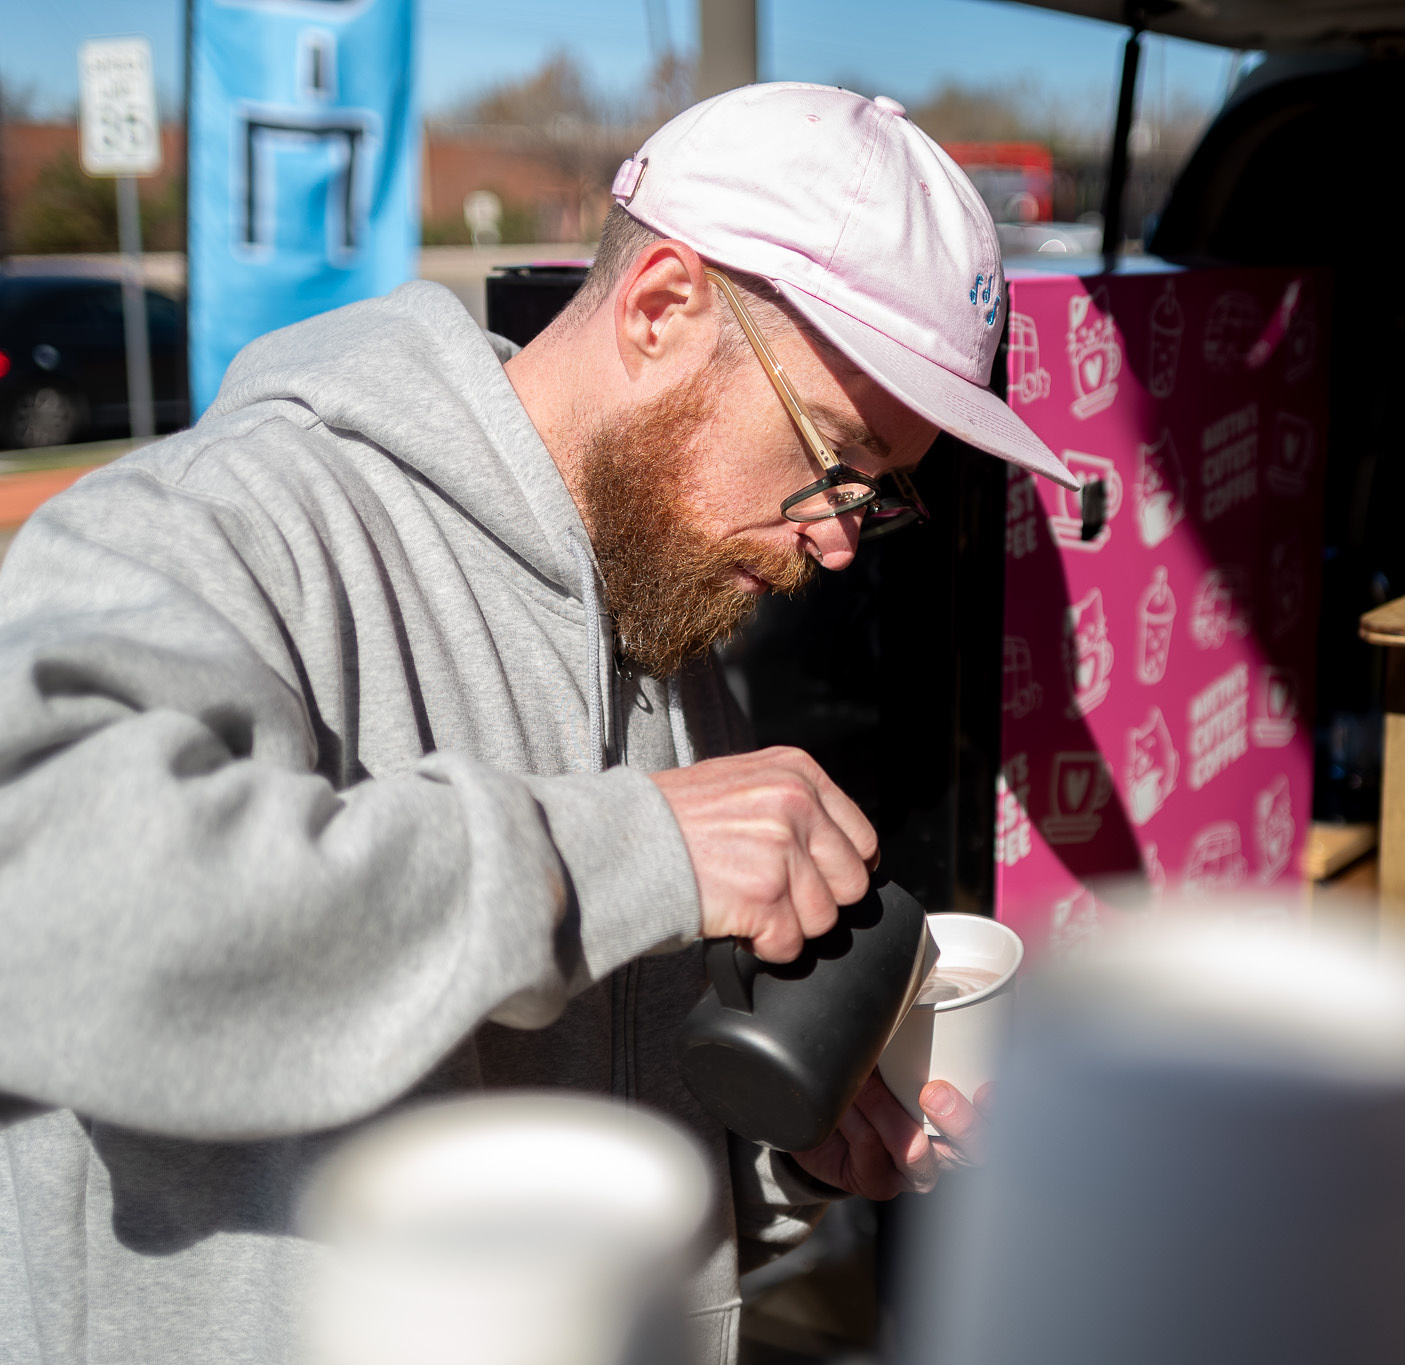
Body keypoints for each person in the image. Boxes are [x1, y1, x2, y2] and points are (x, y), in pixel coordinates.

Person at [0, 83, 1078, 1365]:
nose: (841, 537)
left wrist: (797, 1159)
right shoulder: (228, 524)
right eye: (833, 457)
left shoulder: (668, 623)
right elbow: (51, 922)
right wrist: (614, 852)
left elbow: (608, 1137)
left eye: (881, 494)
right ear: (662, 307)